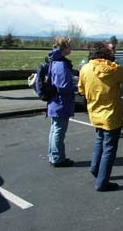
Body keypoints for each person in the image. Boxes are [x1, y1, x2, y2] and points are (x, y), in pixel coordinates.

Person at [78, 42, 123, 191]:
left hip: (94, 113)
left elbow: (81, 90)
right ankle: (102, 182)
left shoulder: (85, 68)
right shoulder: (113, 69)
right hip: (111, 115)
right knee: (109, 148)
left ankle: (95, 169)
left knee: (99, 140)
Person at [47, 36, 77, 168]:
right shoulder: (61, 64)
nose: (71, 48)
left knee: (54, 130)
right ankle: (58, 158)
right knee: (58, 131)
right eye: (69, 46)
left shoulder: (54, 60)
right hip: (60, 103)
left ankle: (53, 155)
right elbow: (63, 86)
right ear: (64, 48)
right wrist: (78, 88)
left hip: (55, 102)